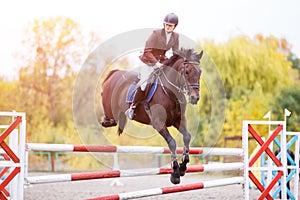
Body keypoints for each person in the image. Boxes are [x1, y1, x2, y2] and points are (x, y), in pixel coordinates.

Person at [125, 13, 180, 120]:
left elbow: (176, 52)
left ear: (175, 26)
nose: (168, 27)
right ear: (164, 24)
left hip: (161, 61)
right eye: (167, 24)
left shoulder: (175, 36)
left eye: (171, 25)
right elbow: (147, 51)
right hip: (148, 61)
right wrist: (156, 63)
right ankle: (132, 107)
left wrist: (183, 57)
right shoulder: (156, 34)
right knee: (144, 84)